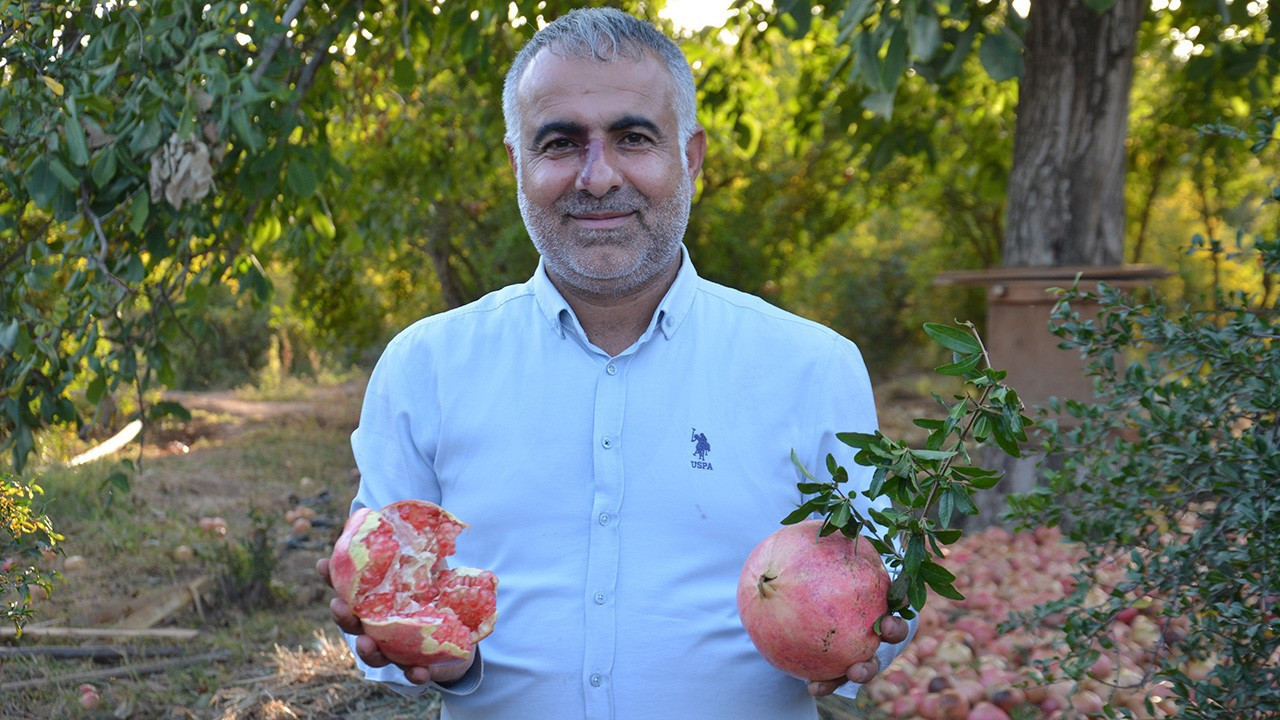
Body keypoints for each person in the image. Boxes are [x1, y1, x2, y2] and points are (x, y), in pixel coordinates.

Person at [316, 8, 914, 719]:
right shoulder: (426, 367)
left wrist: (857, 646)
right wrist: (437, 656)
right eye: (559, 143)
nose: (597, 178)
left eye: (633, 138)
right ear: (516, 165)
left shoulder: (812, 368)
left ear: (691, 157)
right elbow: (377, 596)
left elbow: (884, 590)